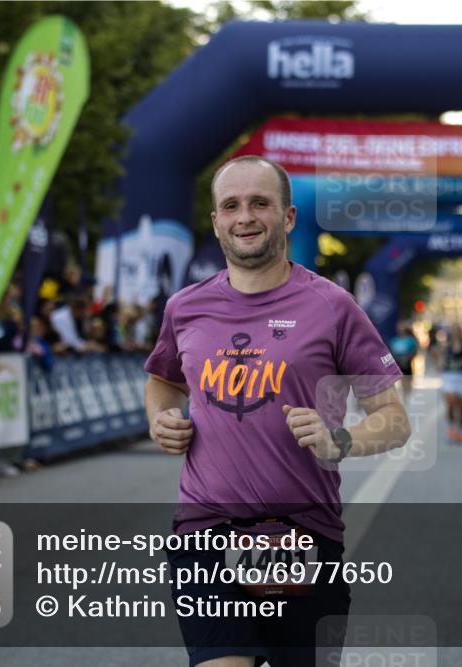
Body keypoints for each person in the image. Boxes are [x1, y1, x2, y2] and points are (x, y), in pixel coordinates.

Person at [143, 156, 411, 667]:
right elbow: (163, 382)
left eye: (260, 203)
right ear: (217, 221)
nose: (245, 216)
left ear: (288, 217)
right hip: (206, 534)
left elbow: (394, 420)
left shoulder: (333, 306)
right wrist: (162, 418)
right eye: (231, 206)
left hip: (305, 537)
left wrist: (342, 440)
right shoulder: (184, 307)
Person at [440, 323, 462, 444]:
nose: (455, 333)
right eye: (453, 330)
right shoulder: (446, 347)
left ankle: (460, 432)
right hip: (449, 377)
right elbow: (441, 361)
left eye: (457, 330)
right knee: (450, 404)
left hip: (461, 377)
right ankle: (451, 430)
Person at [388, 323, 419, 401]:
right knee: (402, 380)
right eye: (399, 329)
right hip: (398, 362)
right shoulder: (394, 340)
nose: (400, 331)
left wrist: (408, 357)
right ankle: (404, 395)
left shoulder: (410, 340)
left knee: (408, 380)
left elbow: (415, 351)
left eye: (402, 329)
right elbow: (391, 352)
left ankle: (407, 393)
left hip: (407, 363)